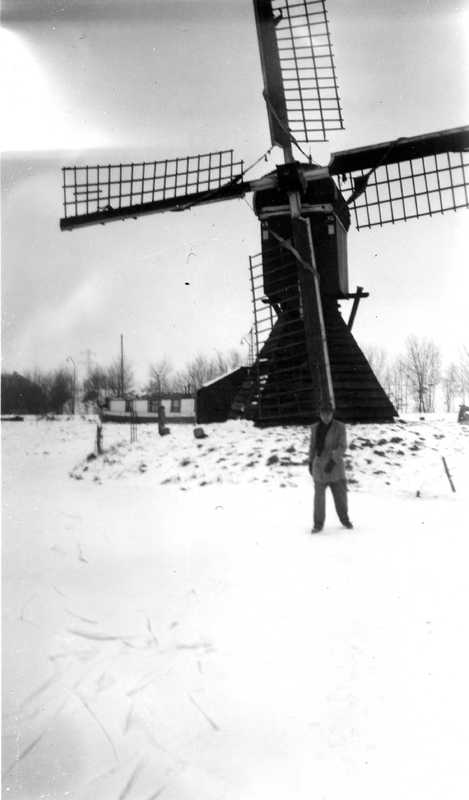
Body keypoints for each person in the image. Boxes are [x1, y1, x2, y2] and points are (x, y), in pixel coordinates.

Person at [308, 400, 353, 533]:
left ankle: (345, 519)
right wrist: (310, 462)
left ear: (332, 413)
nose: (326, 416)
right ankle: (318, 524)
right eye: (323, 414)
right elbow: (312, 447)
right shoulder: (315, 428)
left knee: (340, 497)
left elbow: (342, 446)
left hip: (335, 467)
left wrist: (333, 461)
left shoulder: (340, 427)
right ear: (320, 414)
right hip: (319, 467)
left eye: (328, 413)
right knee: (319, 499)